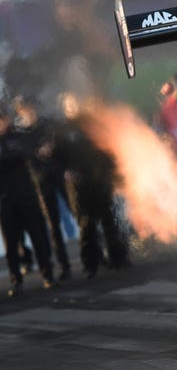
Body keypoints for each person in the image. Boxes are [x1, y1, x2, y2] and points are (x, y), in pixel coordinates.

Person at [57, 93, 130, 278]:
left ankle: (119, 258)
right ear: (64, 108)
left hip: (101, 180)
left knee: (111, 220)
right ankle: (91, 265)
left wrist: (114, 172)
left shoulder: (91, 124)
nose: (73, 107)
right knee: (87, 225)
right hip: (80, 186)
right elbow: (56, 157)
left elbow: (108, 148)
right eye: (69, 104)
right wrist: (65, 171)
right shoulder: (61, 130)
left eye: (75, 103)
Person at [0, 99, 56, 296]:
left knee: (38, 237)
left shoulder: (20, 137)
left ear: (7, 119)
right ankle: (16, 281)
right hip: (5, 202)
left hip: (26, 196)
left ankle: (47, 274)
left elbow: (36, 152)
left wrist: (43, 150)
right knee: (12, 245)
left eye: (2, 118)